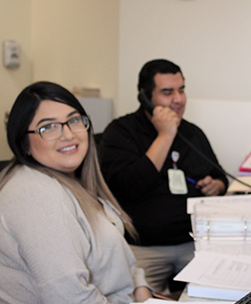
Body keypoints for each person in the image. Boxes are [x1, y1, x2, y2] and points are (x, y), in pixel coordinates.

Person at [0, 81, 152, 304]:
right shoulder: (34, 194)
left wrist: (140, 287)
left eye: (73, 120)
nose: (68, 135)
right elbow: (70, 298)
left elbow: (114, 253)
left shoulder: (72, 180)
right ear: (24, 143)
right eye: (48, 127)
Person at [99, 59, 229, 295]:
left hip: (193, 243)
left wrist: (217, 185)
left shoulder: (192, 133)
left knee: (218, 294)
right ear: (145, 96)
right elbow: (126, 187)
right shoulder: (120, 132)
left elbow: (220, 175)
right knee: (135, 298)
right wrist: (165, 135)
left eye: (181, 90)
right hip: (144, 247)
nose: (178, 99)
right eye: (167, 92)